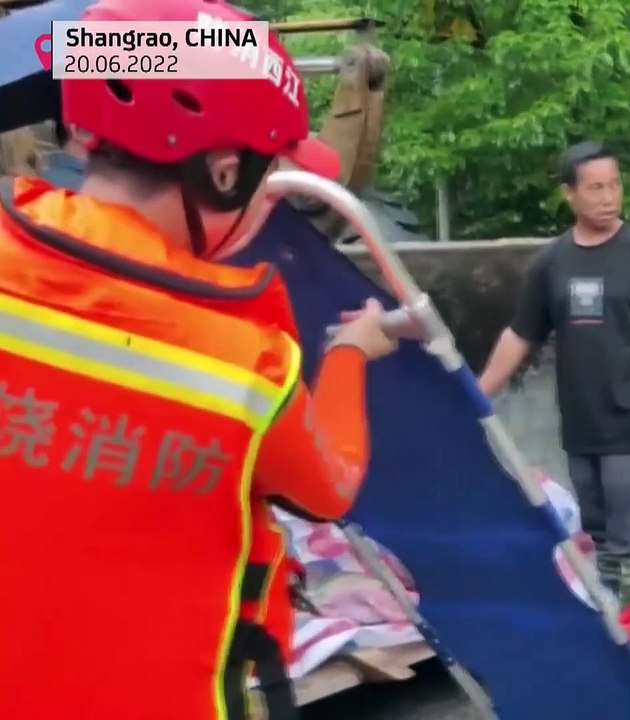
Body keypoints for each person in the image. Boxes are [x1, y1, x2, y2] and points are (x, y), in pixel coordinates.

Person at [0, 1, 397, 718]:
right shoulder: (243, 363)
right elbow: (329, 487)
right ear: (223, 173)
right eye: (270, 175)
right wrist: (348, 354)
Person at [478, 141, 630, 605]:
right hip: (580, 424)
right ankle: (613, 622)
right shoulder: (552, 263)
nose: (608, 196)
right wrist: (476, 394)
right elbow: (520, 335)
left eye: (614, 185)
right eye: (595, 187)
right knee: (597, 535)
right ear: (569, 195)